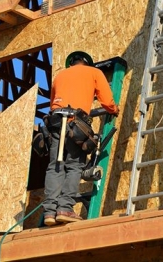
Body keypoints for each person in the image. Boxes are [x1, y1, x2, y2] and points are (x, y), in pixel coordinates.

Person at [42, 51, 119, 226]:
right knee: (75, 166)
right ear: (87, 63)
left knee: (55, 166)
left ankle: (49, 212)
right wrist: (114, 109)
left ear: (72, 63)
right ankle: (65, 208)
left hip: (55, 122)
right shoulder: (94, 72)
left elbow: (52, 102)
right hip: (75, 123)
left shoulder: (60, 75)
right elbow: (107, 101)